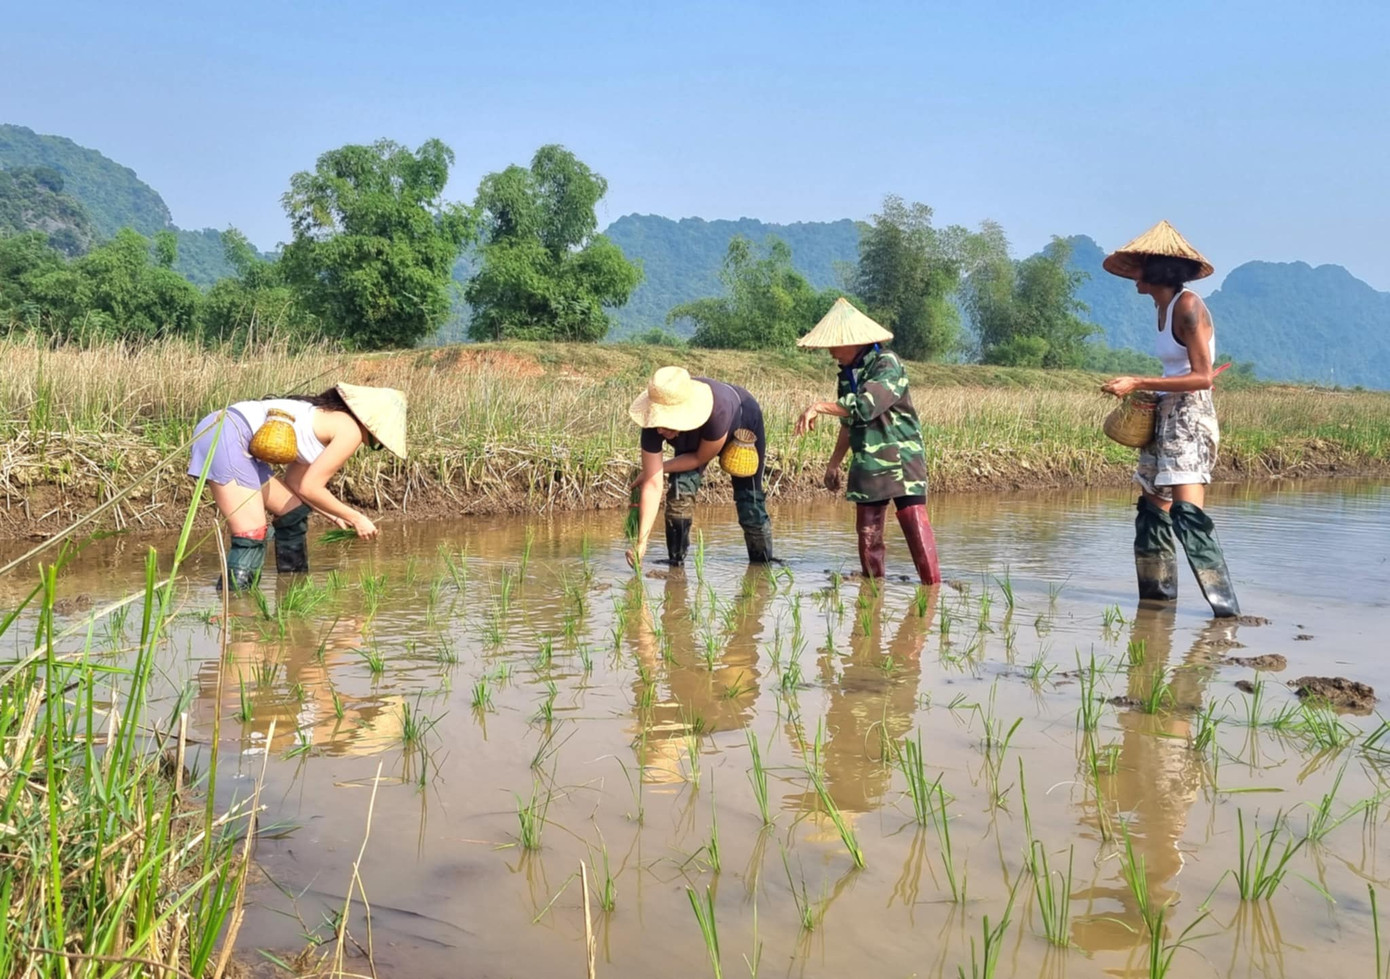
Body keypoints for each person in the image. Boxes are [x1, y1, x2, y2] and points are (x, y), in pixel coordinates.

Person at [1100, 220, 1239, 617]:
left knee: (1186, 514)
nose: (1134, 276)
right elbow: (1176, 369)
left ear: (1158, 270)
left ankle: (1225, 613)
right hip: (1164, 413)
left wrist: (1137, 380)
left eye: (1141, 266)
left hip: (1189, 417)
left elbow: (1203, 377)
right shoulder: (1162, 306)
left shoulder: (1188, 306)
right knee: (1150, 510)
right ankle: (1155, 610)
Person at [187, 383, 407, 589]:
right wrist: (357, 518)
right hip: (226, 435)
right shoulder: (351, 430)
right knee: (251, 532)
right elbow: (312, 487)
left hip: (220, 427)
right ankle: (237, 609)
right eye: (379, 442)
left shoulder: (326, 415)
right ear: (372, 426)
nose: (376, 443)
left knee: (292, 511)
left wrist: (336, 515)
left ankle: (293, 589)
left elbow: (298, 485)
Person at [792, 298, 940, 584]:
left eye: (835, 345)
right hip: (869, 461)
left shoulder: (887, 364)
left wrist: (818, 406)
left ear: (855, 342)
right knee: (867, 531)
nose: (832, 352)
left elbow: (866, 406)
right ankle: (872, 592)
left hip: (901, 458)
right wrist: (834, 464)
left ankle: (931, 590)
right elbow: (849, 421)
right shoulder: (847, 376)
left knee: (913, 522)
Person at [626, 366, 774, 568]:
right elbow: (652, 485)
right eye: (657, 422)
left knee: (749, 499)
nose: (659, 429)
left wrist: (658, 468)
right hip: (693, 437)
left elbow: (698, 458)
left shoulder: (717, 412)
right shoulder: (654, 424)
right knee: (679, 494)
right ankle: (675, 566)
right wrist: (641, 542)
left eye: (666, 422)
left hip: (741, 422)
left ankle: (761, 566)